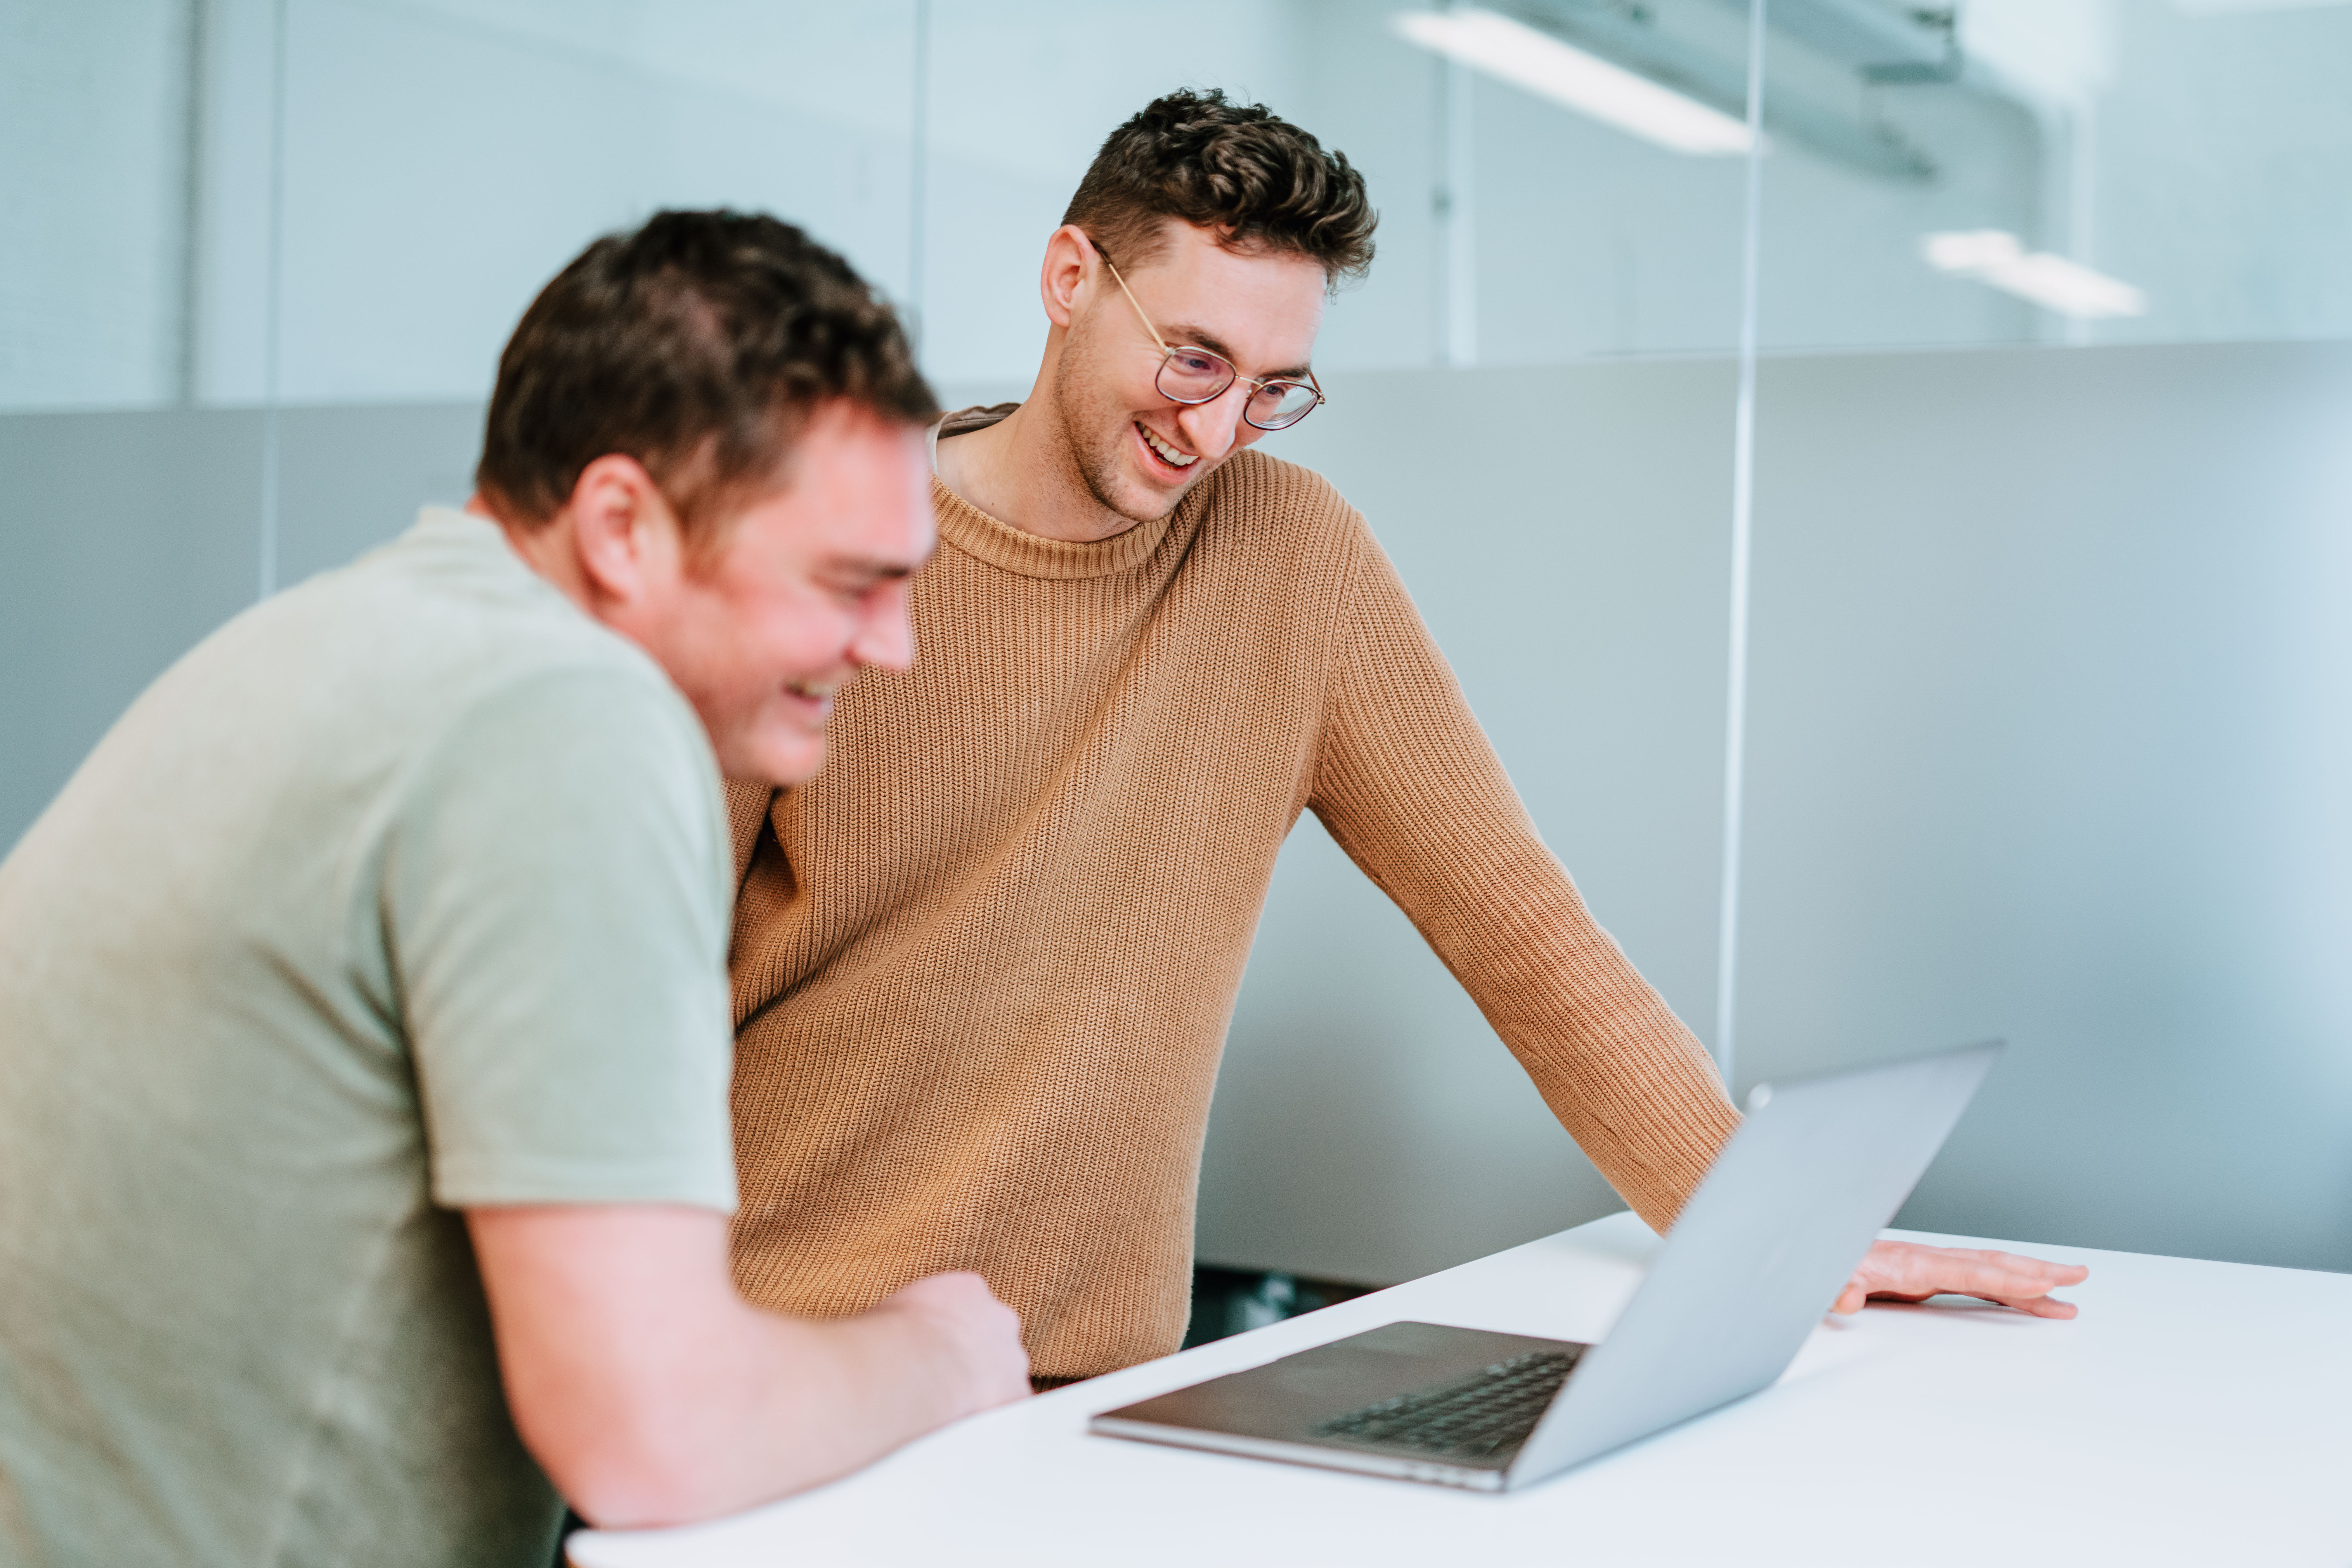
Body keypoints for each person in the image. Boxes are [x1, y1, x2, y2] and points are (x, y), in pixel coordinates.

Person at [718, 91, 2086, 1387]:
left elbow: (1516, 921)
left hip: (1086, 1388)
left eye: (1270, 386)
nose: (1214, 429)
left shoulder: (1289, 554)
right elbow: (635, 984)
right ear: (1071, 275)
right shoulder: (829, 550)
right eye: (1194, 356)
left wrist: (1775, 1234)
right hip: (790, 1360)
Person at [0, 211, 1029, 1568]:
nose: (893, 650)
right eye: (851, 582)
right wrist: (940, 1352)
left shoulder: (342, 641)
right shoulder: (565, 718)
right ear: (620, 525)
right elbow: (658, 1434)